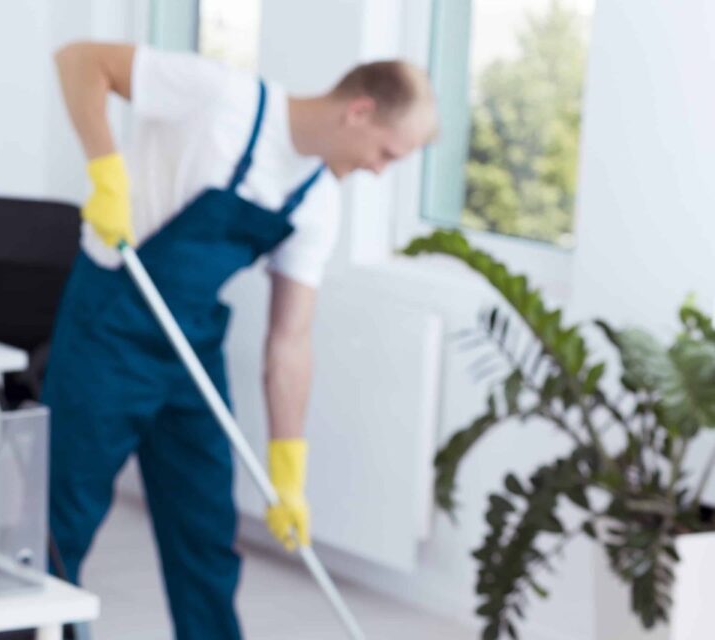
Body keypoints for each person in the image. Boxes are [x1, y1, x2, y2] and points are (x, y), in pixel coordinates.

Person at [44, 42, 436, 638]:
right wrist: (106, 169)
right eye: (386, 152)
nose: (381, 170)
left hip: (191, 349)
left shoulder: (317, 202)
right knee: (61, 517)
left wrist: (288, 472)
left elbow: (290, 341)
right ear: (358, 111)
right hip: (110, 327)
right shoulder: (221, 96)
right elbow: (78, 61)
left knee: (205, 533)